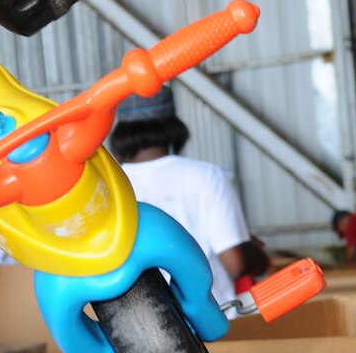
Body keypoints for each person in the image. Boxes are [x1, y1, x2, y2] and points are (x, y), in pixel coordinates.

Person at [108, 87, 269, 308]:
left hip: (140, 322)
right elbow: (236, 264)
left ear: (120, 131)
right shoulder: (207, 176)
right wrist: (257, 255)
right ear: (172, 124)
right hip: (213, 318)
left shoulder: (108, 187)